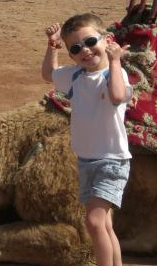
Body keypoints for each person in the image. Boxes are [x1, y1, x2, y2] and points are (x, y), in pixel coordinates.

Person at [41, 13, 132, 266]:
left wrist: (115, 62)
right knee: (104, 225)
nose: (86, 51)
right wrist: (52, 46)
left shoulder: (114, 75)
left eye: (91, 41)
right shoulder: (75, 75)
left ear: (108, 40)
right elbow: (49, 74)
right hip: (86, 160)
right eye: (76, 48)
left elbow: (116, 96)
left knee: (93, 223)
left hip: (111, 161)